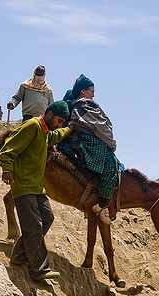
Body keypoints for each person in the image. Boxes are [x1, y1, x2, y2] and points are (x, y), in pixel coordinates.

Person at [0, 101, 72, 281]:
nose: (59, 125)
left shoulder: (45, 133)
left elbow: (54, 136)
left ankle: (18, 255)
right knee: (33, 226)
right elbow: (6, 150)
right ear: (50, 114)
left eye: (62, 123)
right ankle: (39, 269)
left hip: (37, 186)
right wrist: (7, 168)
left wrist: (68, 130)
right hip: (23, 184)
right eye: (59, 121)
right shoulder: (32, 126)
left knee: (47, 218)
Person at [66, 74, 118, 226]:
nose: (93, 94)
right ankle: (101, 204)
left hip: (85, 138)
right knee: (111, 165)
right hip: (90, 140)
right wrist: (111, 143)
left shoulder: (80, 105)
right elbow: (99, 126)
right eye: (91, 91)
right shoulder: (84, 105)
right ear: (83, 91)